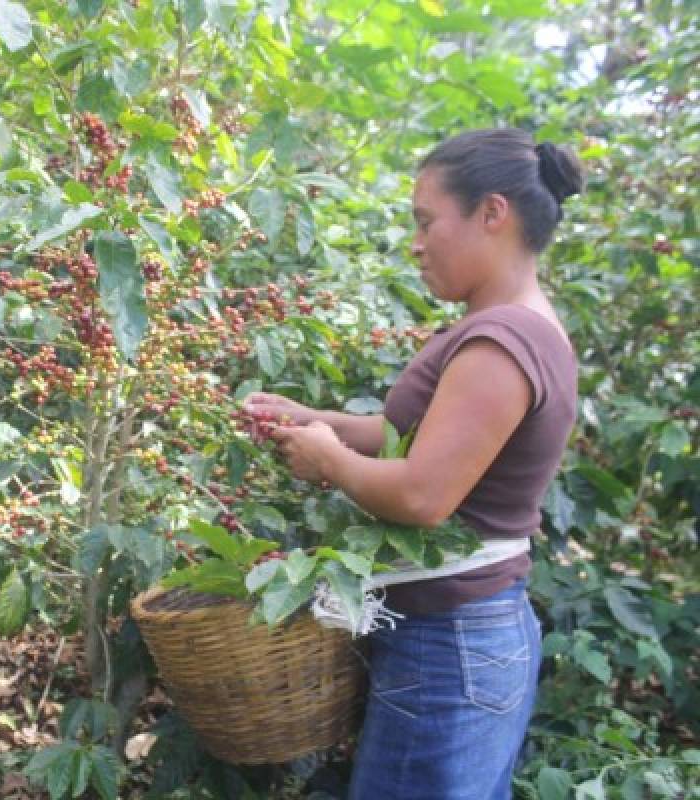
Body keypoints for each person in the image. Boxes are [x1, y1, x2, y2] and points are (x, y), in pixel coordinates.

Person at [245, 129, 582, 799]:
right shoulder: (509, 326)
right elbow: (410, 438)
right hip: (460, 637)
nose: (416, 242)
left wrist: (329, 461)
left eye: (427, 221)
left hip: (452, 643)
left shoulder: (502, 341)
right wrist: (317, 422)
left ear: (492, 213)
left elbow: (425, 494)